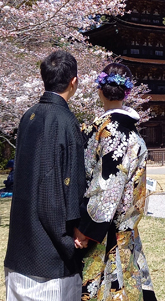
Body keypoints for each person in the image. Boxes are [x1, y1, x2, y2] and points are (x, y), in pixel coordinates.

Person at [4, 50, 86, 300]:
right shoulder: (66, 122)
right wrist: (72, 237)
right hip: (50, 262)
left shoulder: (28, 116)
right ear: (74, 81)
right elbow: (68, 189)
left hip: (21, 249)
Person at [75, 62, 157, 301]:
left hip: (103, 231)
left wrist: (85, 229)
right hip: (121, 227)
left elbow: (107, 187)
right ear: (128, 93)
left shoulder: (105, 130)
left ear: (99, 91)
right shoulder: (130, 132)